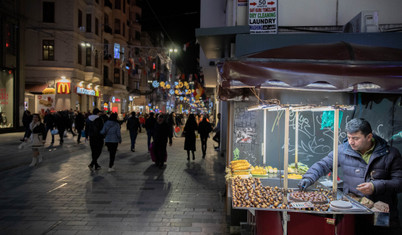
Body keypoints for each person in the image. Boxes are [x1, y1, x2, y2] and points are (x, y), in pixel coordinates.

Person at [298, 118, 402, 233]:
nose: (351, 142)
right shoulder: (342, 150)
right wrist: (308, 177)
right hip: (353, 211)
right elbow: (323, 165)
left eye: (355, 138)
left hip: (381, 211)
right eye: (349, 137)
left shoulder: (390, 154)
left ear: (369, 137)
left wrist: (375, 186)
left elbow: (399, 182)